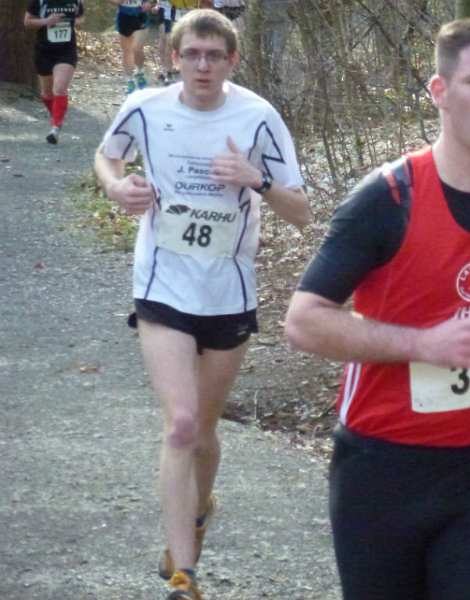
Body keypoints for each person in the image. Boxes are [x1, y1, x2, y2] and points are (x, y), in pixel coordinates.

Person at [285, 16, 470, 600]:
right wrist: (422, 344)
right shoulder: (388, 198)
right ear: (440, 92)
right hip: (380, 469)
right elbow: (304, 320)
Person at [94, 9, 310, 599]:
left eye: (215, 55)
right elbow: (108, 155)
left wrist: (254, 179)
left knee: (206, 432)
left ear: (232, 61)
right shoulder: (146, 108)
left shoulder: (258, 117)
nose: (203, 65)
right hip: (162, 285)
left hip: (228, 293)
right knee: (182, 424)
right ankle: (184, 574)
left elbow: (301, 211)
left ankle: (199, 506)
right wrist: (117, 186)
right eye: (192, 54)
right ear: (174, 58)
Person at [24, 0, 85, 145]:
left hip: (66, 51)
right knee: (47, 93)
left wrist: (73, 21)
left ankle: (55, 128)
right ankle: (57, 116)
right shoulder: (39, 1)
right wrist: (46, 21)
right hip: (44, 51)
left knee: (60, 88)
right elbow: (27, 22)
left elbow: (81, 17)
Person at [110, 0, 150, 94]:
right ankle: (129, 80)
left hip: (140, 15)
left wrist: (149, 3)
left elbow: (152, 2)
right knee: (127, 51)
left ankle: (140, 72)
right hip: (124, 16)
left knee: (137, 48)